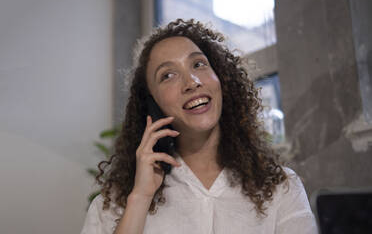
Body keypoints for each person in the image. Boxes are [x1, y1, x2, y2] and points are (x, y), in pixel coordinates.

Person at [81, 19, 318, 234]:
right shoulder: (112, 204)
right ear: (152, 103)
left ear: (221, 79)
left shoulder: (282, 188)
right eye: (168, 75)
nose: (191, 82)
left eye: (199, 64)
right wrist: (140, 198)